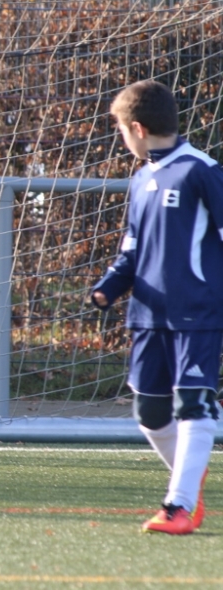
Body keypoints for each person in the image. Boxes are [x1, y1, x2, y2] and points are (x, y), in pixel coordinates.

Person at [92, 79, 223, 535]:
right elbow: (131, 250)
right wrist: (108, 287)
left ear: (138, 128)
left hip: (198, 312)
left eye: (120, 130)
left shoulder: (201, 170)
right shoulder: (142, 177)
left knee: (193, 402)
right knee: (149, 411)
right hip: (148, 314)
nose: (122, 139)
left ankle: (178, 504)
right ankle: (190, 472)